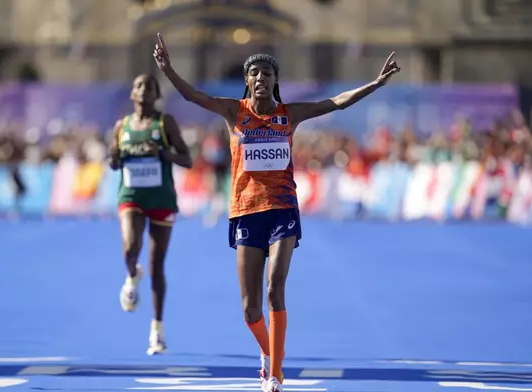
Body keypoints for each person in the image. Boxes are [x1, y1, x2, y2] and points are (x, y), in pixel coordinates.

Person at [153, 33, 399, 392]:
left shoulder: (290, 114)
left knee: (274, 290)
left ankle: (276, 373)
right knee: (251, 310)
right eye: (256, 73)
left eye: (268, 73)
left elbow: (337, 103)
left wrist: (375, 85)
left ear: (275, 80)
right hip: (245, 212)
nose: (262, 78)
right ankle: (266, 354)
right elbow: (193, 96)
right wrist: (168, 69)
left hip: (283, 209)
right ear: (247, 80)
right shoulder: (232, 112)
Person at [107, 73, 192, 355]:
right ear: (132, 94)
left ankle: (157, 329)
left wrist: (164, 153)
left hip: (161, 199)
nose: (144, 90)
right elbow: (112, 162)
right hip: (131, 196)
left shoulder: (164, 123)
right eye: (139, 85)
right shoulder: (122, 126)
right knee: (131, 247)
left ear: (156, 95)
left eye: (150, 87)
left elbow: (187, 159)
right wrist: (114, 157)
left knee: (157, 267)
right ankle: (132, 275)